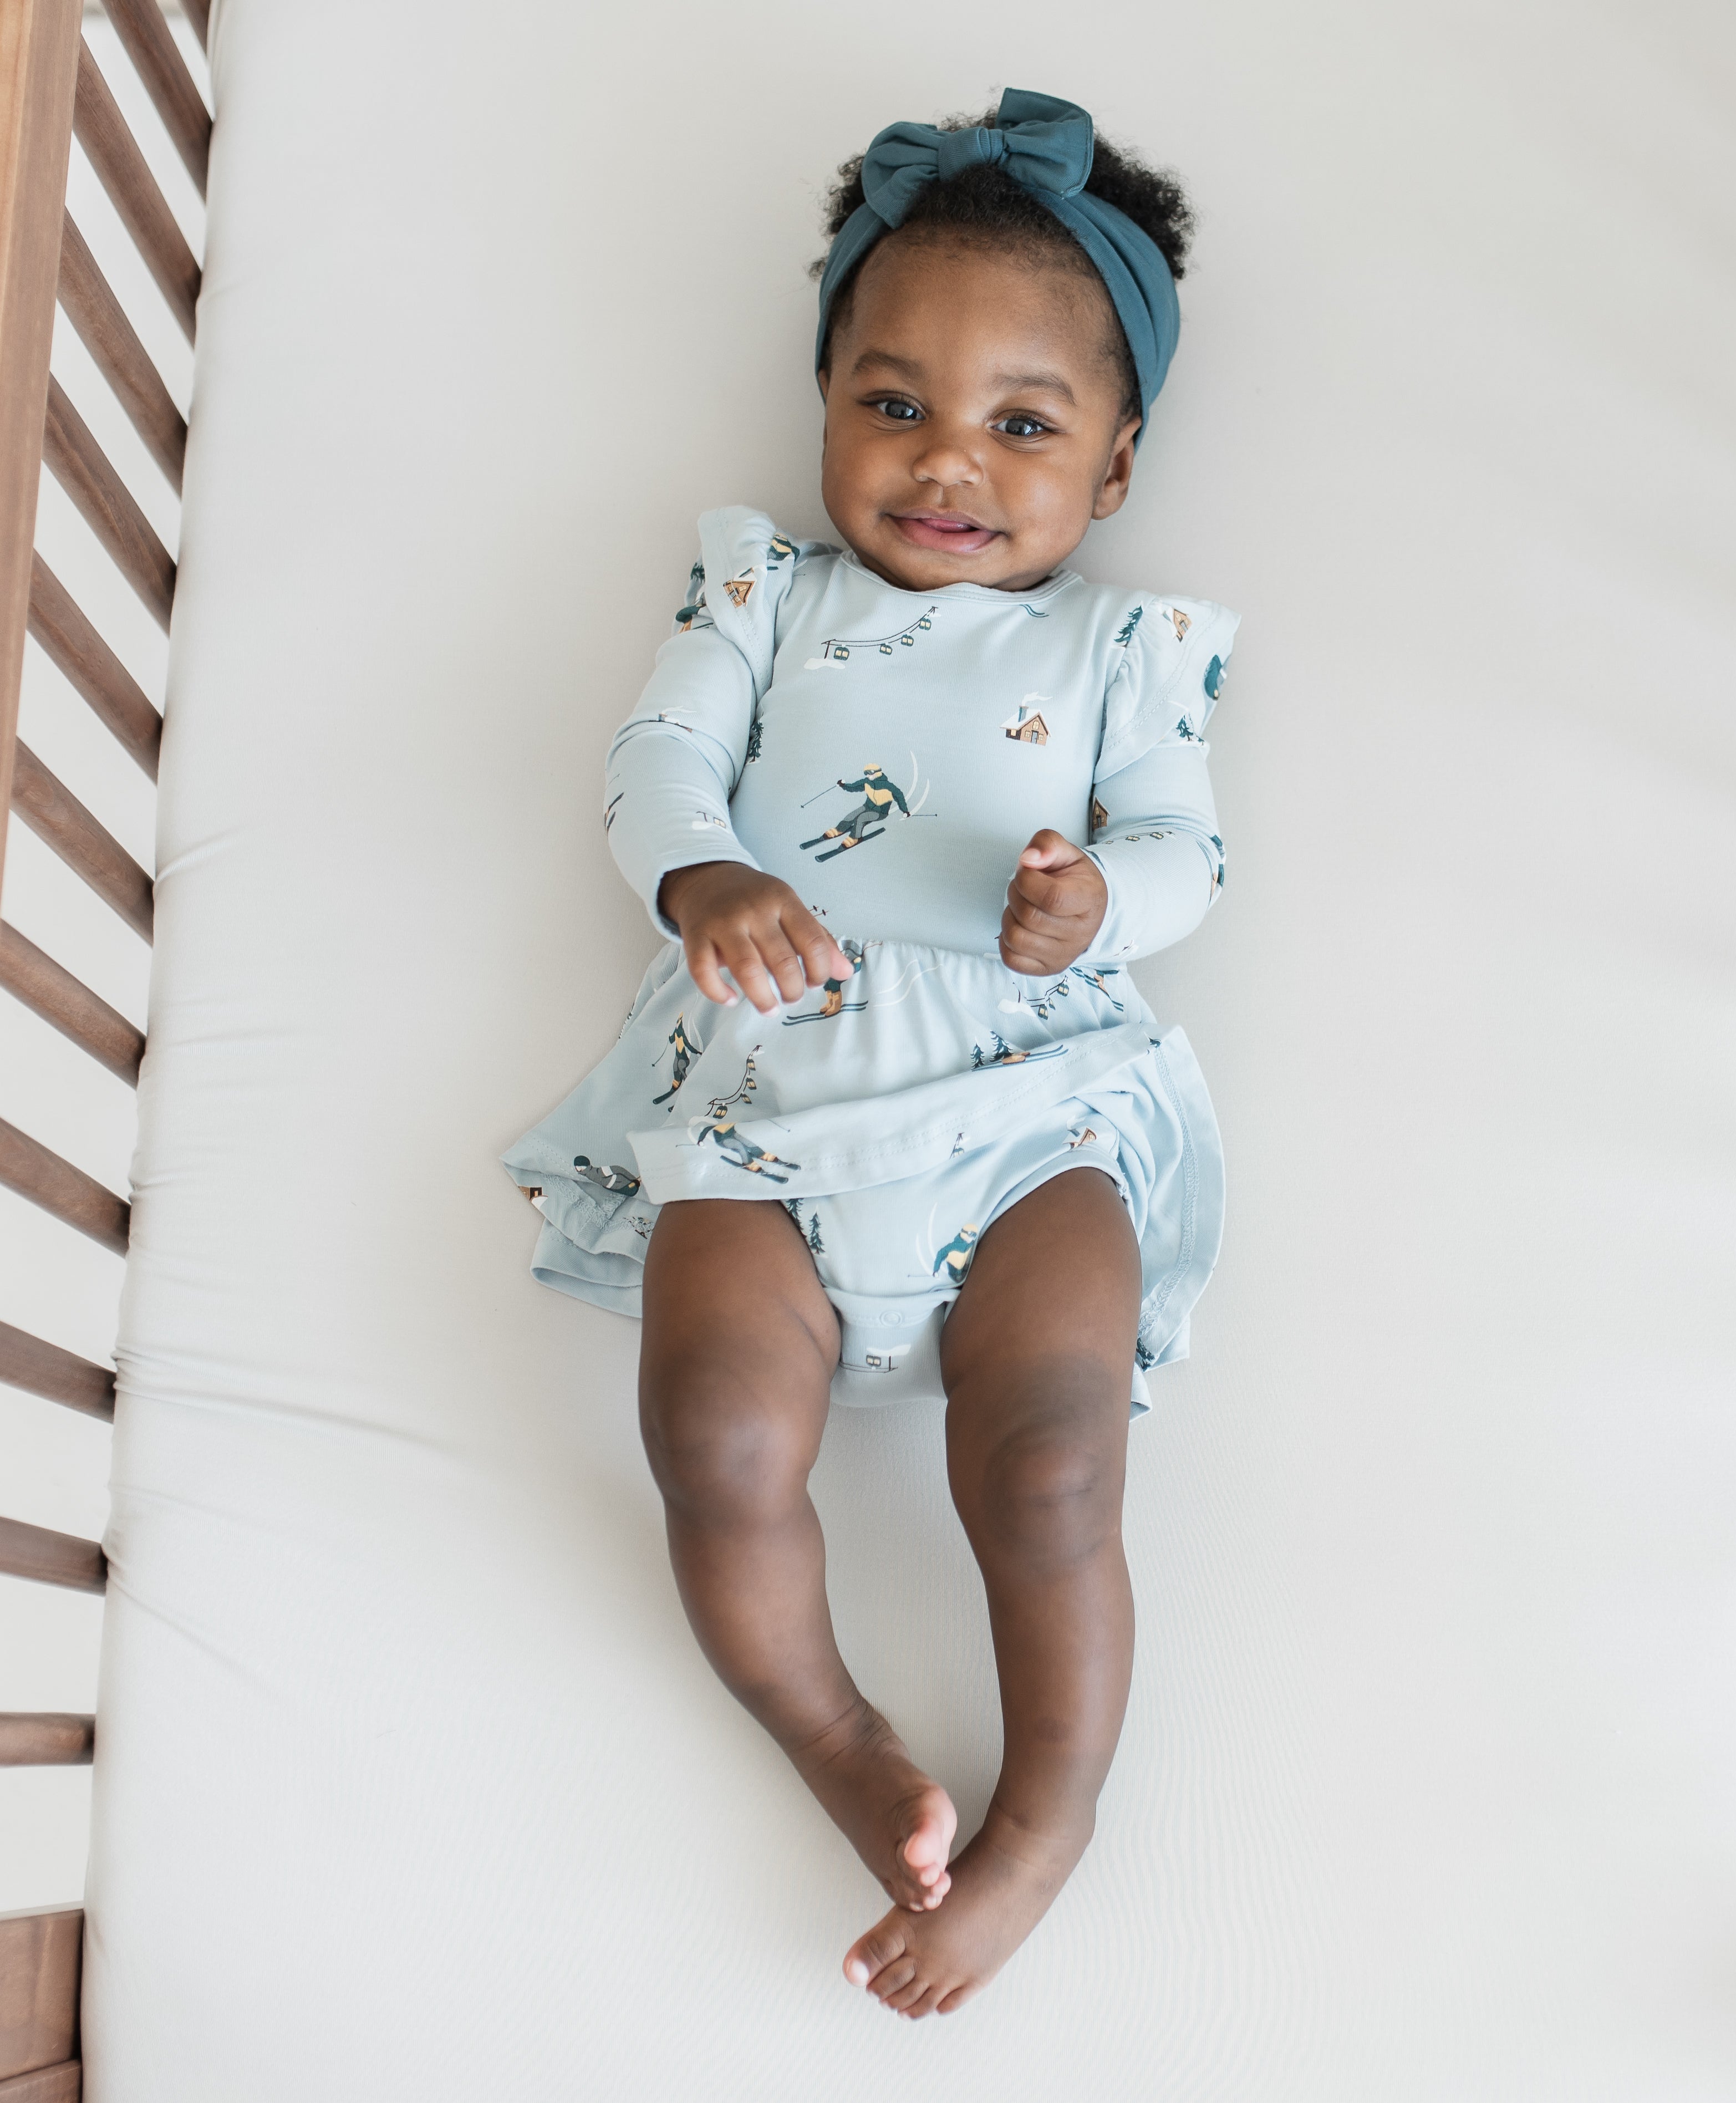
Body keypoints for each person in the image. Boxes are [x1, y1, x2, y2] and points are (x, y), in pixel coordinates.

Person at [503, 88, 1233, 2019]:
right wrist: (707, 879)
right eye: (892, 401)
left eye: (1023, 423)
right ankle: (834, 1733)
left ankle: (1042, 1826)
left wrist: (1103, 908)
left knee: (1056, 1460)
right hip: (767, 1089)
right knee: (714, 1438)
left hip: (1028, 1105)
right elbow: (654, 766)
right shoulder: (763, 594)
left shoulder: (1117, 655)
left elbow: (1184, 847)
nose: (949, 464)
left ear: (1117, 461)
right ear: (825, 395)